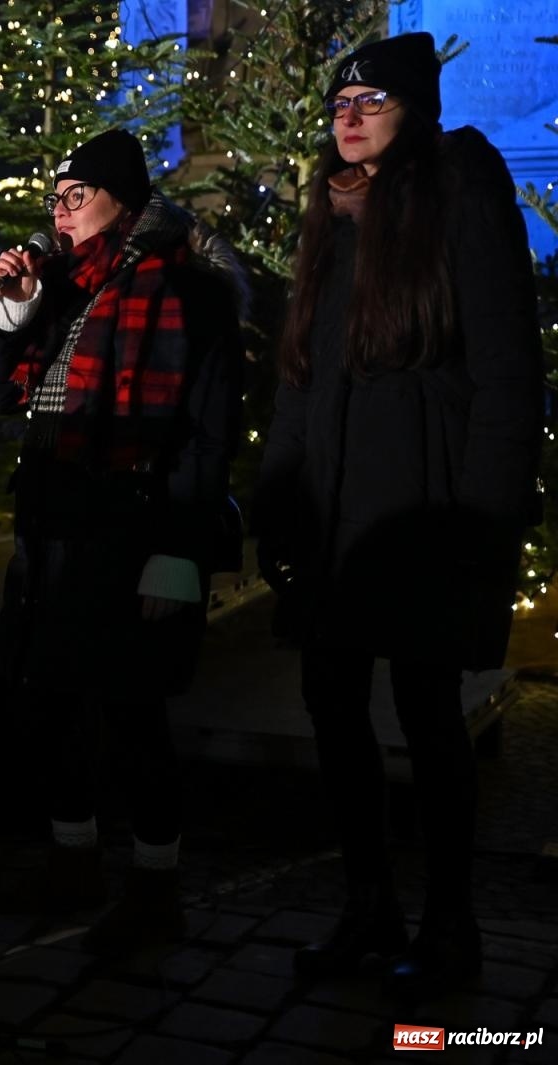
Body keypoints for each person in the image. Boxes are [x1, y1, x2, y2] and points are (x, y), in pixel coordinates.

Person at [256, 33, 543, 998]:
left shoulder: (457, 191)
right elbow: (301, 375)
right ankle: (368, 904)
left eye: (372, 100)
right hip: (338, 510)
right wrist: (279, 493)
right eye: (340, 101)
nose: (348, 115)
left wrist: (486, 520)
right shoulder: (333, 214)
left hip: (424, 504)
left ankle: (450, 924)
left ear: (414, 109)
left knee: (426, 712)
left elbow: (508, 371)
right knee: (333, 701)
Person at [0, 128, 245, 955]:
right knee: (43, 703)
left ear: (122, 202)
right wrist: (10, 308)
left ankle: (155, 887)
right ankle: (73, 861)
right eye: (52, 198)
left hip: (134, 527)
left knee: (132, 716)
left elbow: (206, 432)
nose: (58, 214)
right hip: (54, 528)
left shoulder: (187, 291)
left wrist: (179, 546)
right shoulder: (57, 289)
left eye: (75, 196)